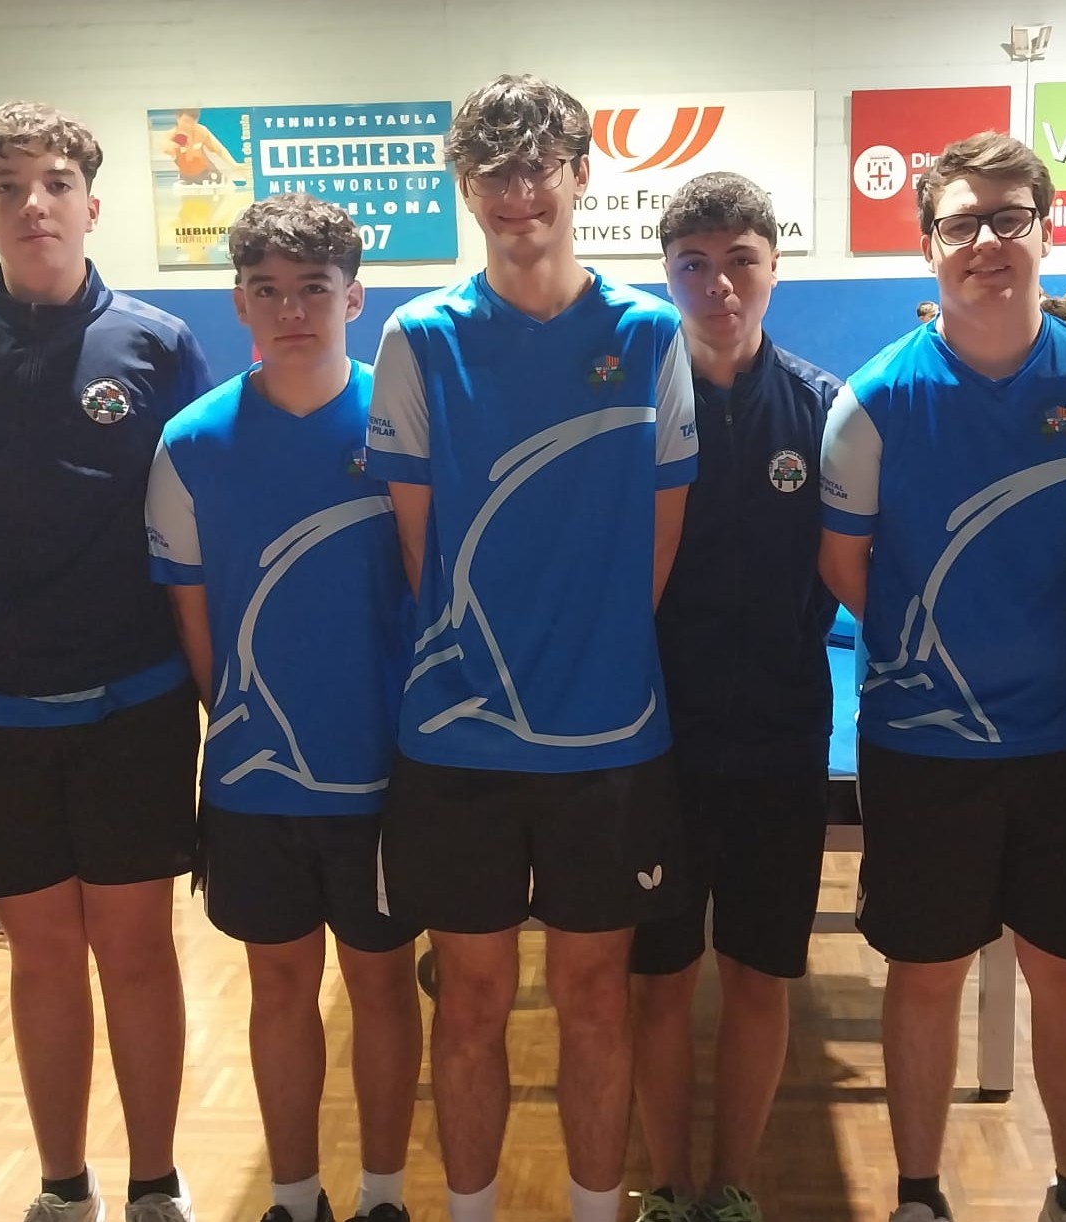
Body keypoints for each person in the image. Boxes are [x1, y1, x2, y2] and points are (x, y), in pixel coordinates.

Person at [817, 131, 1066, 1222]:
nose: (985, 242)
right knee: (924, 974)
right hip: (924, 748)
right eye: (960, 223)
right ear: (927, 245)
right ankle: (919, 1194)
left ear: (1043, 232)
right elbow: (843, 566)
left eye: (1007, 218)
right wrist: (935, 657)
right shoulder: (873, 400)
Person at [365, 73, 697, 1222]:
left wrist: (585, 656)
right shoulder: (418, 338)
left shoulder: (649, 333)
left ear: (579, 174)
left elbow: (658, 538)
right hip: (459, 737)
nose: (515, 195)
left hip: (609, 736)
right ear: (465, 189)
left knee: (596, 997)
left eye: (536, 167)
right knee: (467, 1000)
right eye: (490, 174)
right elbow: (421, 543)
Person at [0, 101, 211, 1222]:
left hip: (135, 702)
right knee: (41, 959)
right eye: (9, 186)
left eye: (55, 184)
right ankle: (62, 1184)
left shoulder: (158, 344)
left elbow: (197, 527)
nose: (33, 203)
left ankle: (154, 1183)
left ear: (92, 203)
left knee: (135, 950)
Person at [146, 193, 421, 1222]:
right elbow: (196, 628)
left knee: (383, 986)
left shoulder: (405, 423)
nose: (291, 309)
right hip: (256, 783)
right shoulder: (190, 441)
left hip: (388, 777)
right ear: (238, 304)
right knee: (278, 986)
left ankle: (384, 1195)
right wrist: (252, 727)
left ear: (355, 297)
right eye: (266, 290)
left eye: (313, 288)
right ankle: (294, 1196)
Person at [628, 172, 841, 1222]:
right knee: (659, 979)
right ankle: (669, 1188)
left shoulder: (825, 408)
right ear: (667, 275)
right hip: (653, 745)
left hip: (779, 742)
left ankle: (733, 1187)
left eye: (739, 261)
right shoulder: (629, 404)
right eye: (694, 265)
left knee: (758, 976)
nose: (718, 284)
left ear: (772, 268)